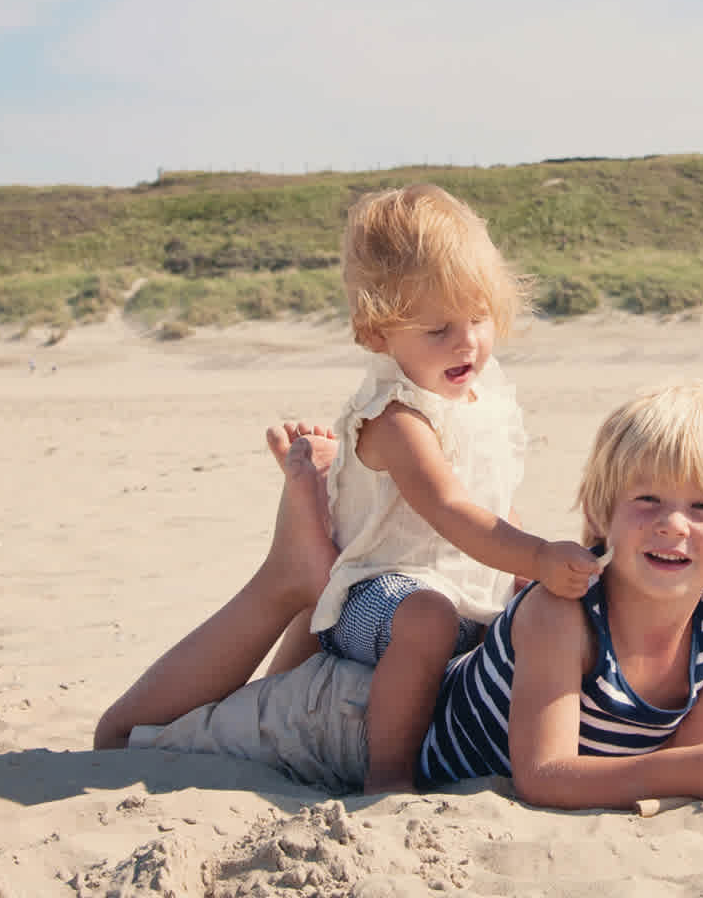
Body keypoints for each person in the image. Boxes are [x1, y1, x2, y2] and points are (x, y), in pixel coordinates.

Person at [96, 184, 601, 793]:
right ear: (378, 334)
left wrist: (527, 567)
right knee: (426, 618)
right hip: (376, 597)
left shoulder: (487, 394)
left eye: (479, 317)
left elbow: (493, 500)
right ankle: (387, 776)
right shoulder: (397, 417)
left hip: (468, 586)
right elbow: (452, 509)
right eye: (438, 328)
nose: (467, 342)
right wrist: (538, 555)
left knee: (529, 604)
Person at [416, 382, 703, 808]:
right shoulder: (563, 611)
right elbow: (543, 777)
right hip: (417, 740)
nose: (673, 524)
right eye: (648, 499)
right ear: (600, 514)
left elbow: (696, 761)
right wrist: (694, 770)